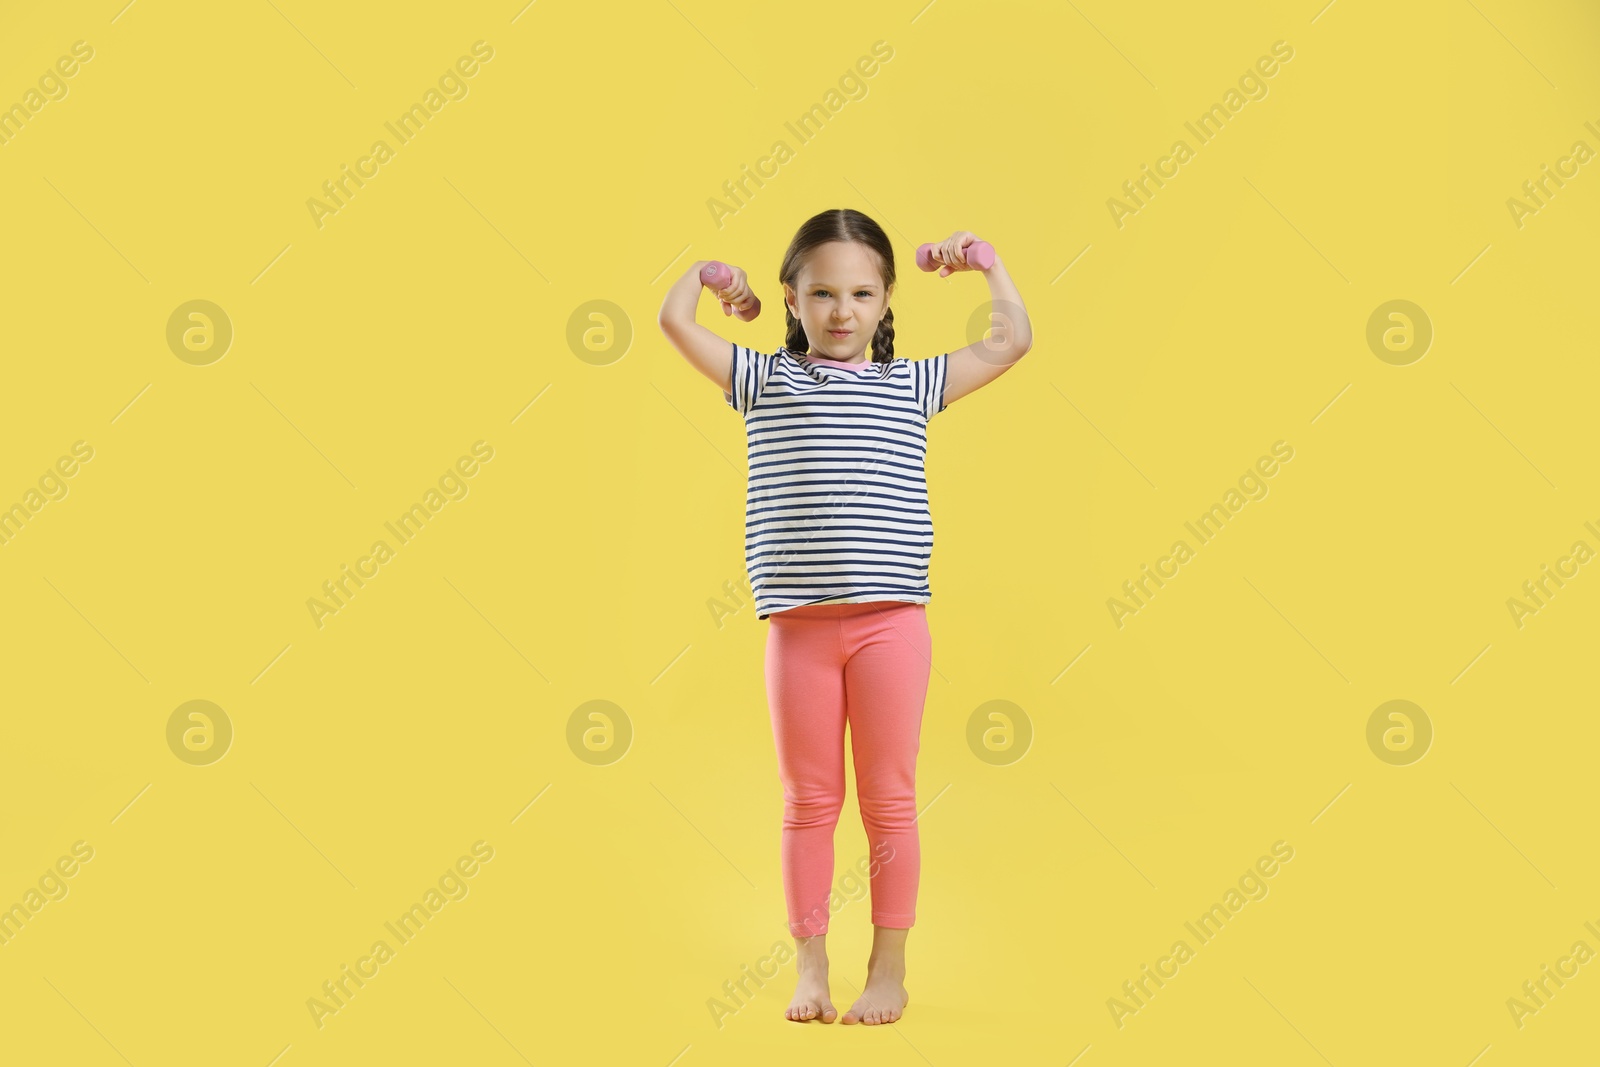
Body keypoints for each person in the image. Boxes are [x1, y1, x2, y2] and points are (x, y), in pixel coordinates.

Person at [658, 207, 1032, 1025]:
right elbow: (671, 321)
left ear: (887, 298)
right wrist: (714, 281)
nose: (841, 311)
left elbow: (1010, 341)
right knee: (808, 801)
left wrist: (984, 262)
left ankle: (889, 966)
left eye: (861, 294)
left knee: (890, 798)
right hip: (798, 631)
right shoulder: (764, 378)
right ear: (792, 298)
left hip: (892, 626)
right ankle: (811, 966)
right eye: (822, 292)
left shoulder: (913, 383)